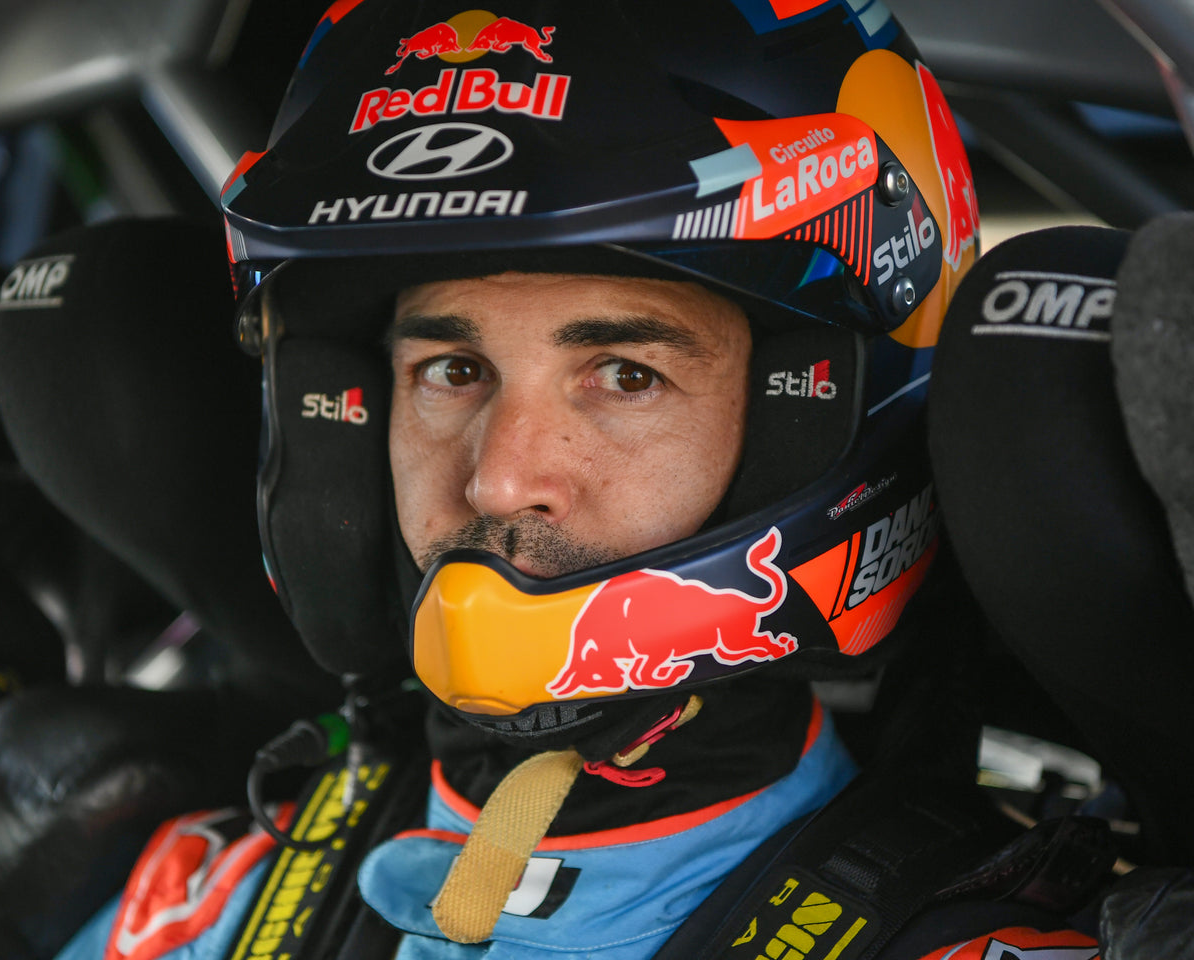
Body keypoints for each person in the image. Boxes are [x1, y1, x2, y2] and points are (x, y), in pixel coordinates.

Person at [54, 2, 1109, 957]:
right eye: (453, 372)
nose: (503, 481)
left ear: (815, 409)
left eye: (623, 375)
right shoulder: (215, 910)